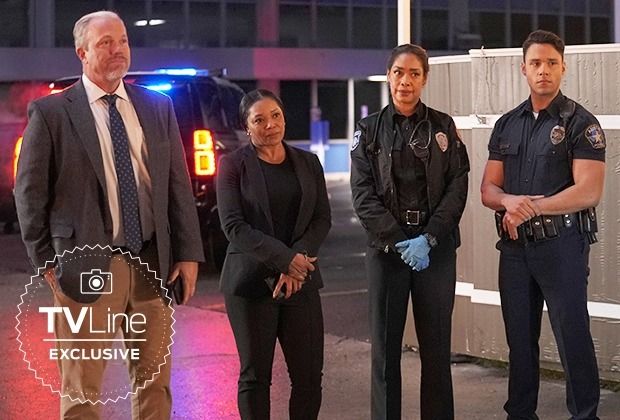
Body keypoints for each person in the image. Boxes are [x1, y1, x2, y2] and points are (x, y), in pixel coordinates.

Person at [14, 10, 204, 419]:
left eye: (123, 41)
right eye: (105, 42)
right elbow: (29, 193)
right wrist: (46, 260)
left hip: (151, 261)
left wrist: (188, 252)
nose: (118, 49)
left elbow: (177, 184)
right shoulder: (51, 113)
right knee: (82, 389)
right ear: (82, 52)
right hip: (84, 265)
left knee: (155, 383)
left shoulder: (157, 106)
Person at [481, 30, 605, 420]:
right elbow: (488, 189)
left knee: (572, 337)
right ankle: (520, 413)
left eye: (552, 63)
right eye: (535, 63)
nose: (543, 70)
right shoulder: (507, 124)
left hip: (562, 246)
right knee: (519, 341)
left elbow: (589, 191)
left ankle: (585, 414)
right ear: (523, 69)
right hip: (515, 250)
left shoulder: (581, 124)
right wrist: (508, 201)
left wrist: (532, 207)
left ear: (563, 67)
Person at [350, 44, 470, 420]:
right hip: (388, 251)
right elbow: (362, 194)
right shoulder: (368, 130)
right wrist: (399, 240)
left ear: (424, 79)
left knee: (436, 350)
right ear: (389, 76)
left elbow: (457, 187)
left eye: (414, 73)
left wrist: (430, 237)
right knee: (386, 352)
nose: (406, 81)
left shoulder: (443, 126)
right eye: (399, 72)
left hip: (434, 249)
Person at [216, 89, 331, 420]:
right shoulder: (232, 165)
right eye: (259, 120)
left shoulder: (308, 162)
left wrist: (297, 261)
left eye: (276, 115)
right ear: (247, 127)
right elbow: (234, 226)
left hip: (301, 282)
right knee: (255, 378)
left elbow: (322, 219)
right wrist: (286, 260)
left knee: (309, 378)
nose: (270, 125)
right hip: (251, 284)